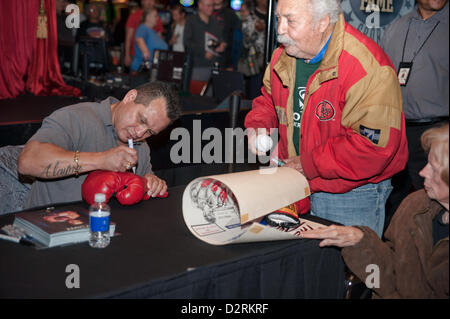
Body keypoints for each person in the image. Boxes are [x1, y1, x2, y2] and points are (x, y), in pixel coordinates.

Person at [244, 0, 408, 237]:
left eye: (290, 21)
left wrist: (306, 164)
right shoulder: (285, 55)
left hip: (349, 193)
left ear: (322, 23)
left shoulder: (366, 67)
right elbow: (267, 100)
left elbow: (372, 147)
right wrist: (258, 126)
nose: (280, 30)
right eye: (279, 19)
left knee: (345, 269)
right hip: (294, 184)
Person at [302, 123, 449, 299]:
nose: (423, 172)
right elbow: (387, 279)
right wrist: (359, 241)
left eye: (434, 168)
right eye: (427, 162)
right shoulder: (415, 206)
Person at [17, 81, 181, 210]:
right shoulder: (76, 118)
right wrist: (101, 160)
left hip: (102, 231)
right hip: (48, 228)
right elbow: (27, 163)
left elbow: (144, 184)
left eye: (150, 132)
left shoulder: (140, 146)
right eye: (141, 120)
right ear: (130, 97)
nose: (140, 133)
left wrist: (151, 184)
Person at [380, 0, 449, 223]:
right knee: (393, 205)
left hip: (439, 135)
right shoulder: (395, 29)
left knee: (437, 211)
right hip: (397, 132)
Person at [183, 0, 226, 81]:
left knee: (213, 92)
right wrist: (204, 52)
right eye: (208, 5)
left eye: (212, 5)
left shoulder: (215, 21)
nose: (211, 8)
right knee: (197, 92)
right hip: (198, 66)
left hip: (215, 66)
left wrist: (222, 45)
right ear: (200, 5)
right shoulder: (191, 20)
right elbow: (187, 43)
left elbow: (220, 39)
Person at [124, 0, 165, 68]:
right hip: (137, 56)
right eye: (147, 0)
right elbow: (129, 37)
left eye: (152, 0)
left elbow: (159, 37)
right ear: (142, 2)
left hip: (152, 59)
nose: (149, 2)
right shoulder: (135, 17)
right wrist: (127, 54)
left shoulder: (157, 19)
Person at [238, 1, 265, 99]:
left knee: (254, 90)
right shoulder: (258, 21)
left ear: (250, 11)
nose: (241, 13)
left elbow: (247, 42)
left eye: (243, 11)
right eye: (240, 11)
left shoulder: (249, 21)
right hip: (259, 61)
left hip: (255, 61)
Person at [212, 0, 241, 69]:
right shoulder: (205, 11)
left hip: (225, 59)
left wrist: (232, 64)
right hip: (205, 59)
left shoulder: (230, 14)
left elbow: (237, 40)